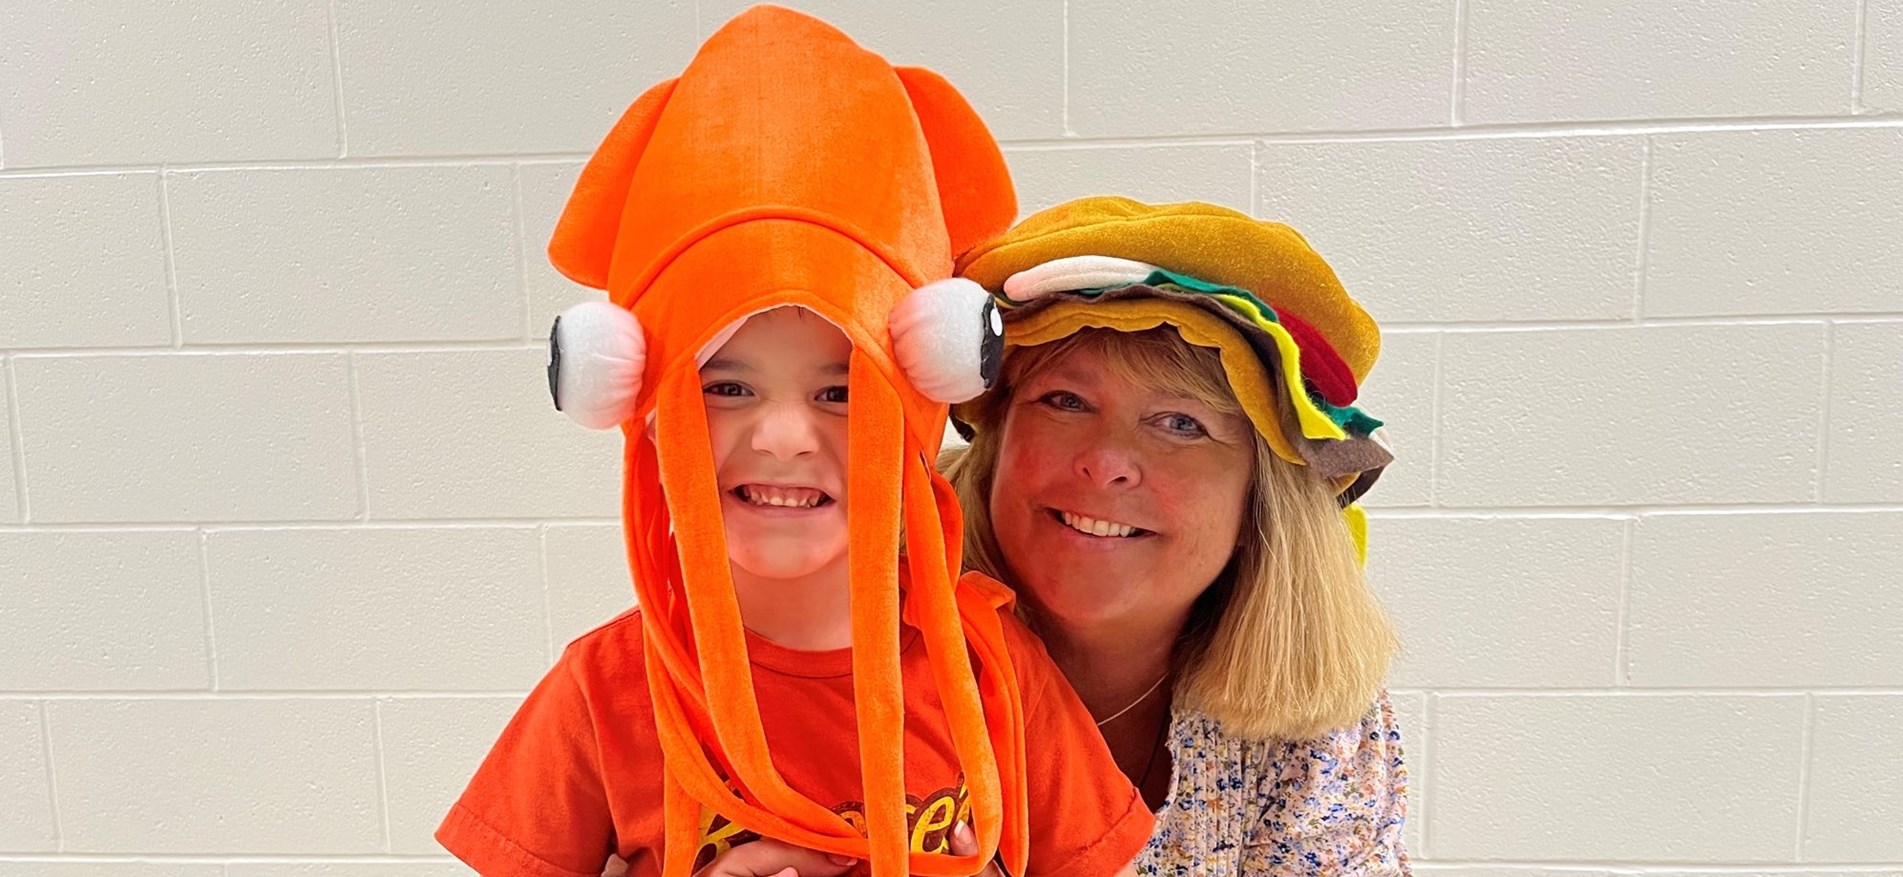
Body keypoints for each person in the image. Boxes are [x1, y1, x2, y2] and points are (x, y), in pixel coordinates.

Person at [435, 10, 1151, 877]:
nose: (780, 436)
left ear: (922, 398)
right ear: (641, 403)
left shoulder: (994, 673)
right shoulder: (603, 693)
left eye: (841, 390)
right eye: (726, 386)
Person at [943, 196, 1411, 875]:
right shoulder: (847, 642)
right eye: (1064, 401)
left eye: (1180, 423)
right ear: (998, 435)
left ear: (1261, 502)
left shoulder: (1316, 727)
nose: (1105, 461)